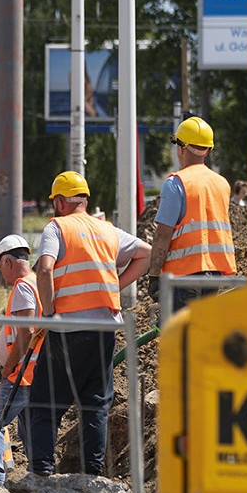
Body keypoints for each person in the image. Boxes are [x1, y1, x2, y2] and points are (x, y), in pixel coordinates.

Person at [30, 171, 151, 477]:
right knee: (94, 404)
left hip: (67, 328)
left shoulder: (57, 227)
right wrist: (116, 286)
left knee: (45, 402)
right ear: (84, 199)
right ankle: (92, 475)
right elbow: (146, 255)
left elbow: (44, 269)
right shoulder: (107, 230)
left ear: (59, 202)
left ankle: (42, 472)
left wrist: (48, 312)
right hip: (105, 328)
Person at [146, 116, 237, 308]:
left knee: (183, 334)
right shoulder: (222, 183)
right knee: (203, 331)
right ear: (208, 150)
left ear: (181, 148)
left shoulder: (175, 183)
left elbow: (163, 234)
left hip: (184, 276)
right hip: (215, 273)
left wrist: (154, 274)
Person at [0, 234, 39, 486]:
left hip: (22, 374)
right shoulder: (37, 282)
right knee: (28, 429)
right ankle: (40, 475)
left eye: (0, 268)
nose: (2, 276)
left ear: (7, 262)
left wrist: (9, 367)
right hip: (35, 372)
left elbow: (27, 331)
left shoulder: (23, 286)